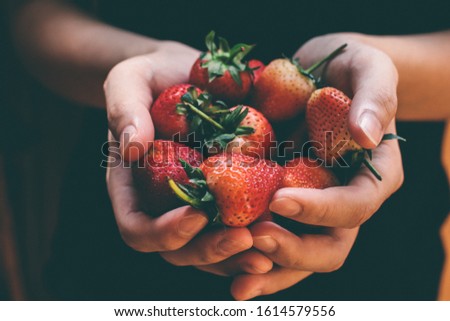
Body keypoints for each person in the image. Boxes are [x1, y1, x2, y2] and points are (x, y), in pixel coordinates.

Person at [5, 0, 449, 300]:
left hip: (376, 235)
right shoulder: (223, 144)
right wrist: (138, 63)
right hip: (129, 205)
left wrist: (375, 77)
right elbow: (28, 13)